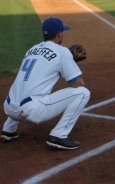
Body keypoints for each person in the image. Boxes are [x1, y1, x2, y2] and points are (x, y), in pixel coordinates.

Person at [1, 17, 91, 149]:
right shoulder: (62, 52)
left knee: (24, 89)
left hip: (8, 108)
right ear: (59, 33)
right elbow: (75, 83)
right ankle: (59, 135)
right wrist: (71, 64)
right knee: (83, 93)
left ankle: (8, 129)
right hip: (31, 111)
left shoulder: (31, 50)